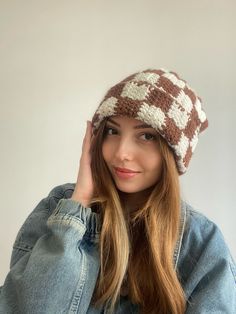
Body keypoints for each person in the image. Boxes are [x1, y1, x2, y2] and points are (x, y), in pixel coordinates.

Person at [0, 68, 235, 314]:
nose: (122, 152)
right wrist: (78, 204)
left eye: (146, 136)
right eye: (112, 131)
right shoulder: (59, 206)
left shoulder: (201, 242)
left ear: (173, 155)